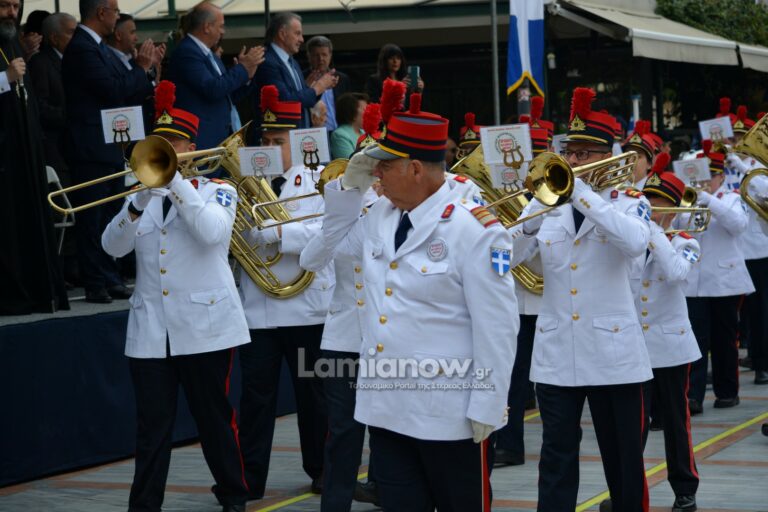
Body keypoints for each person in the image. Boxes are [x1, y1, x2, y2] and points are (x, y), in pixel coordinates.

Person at [304, 92, 518, 511]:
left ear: (416, 168)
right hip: (387, 410)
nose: (377, 174)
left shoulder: (473, 230)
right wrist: (349, 187)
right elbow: (320, 251)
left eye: (384, 165)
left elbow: (497, 327)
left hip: (449, 416)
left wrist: (488, 406)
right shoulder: (380, 217)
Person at [102, 81, 250, 512]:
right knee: (152, 428)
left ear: (191, 148)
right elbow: (112, 247)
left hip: (205, 328)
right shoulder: (140, 194)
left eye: (174, 143)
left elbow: (213, 233)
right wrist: (137, 203)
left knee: (214, 419)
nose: (166, 149)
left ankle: (233, 495)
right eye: (159, 142)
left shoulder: (218, 189)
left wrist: (177, 184)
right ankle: (144, 505)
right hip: (152, 331)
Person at [512, 87, 653, 512]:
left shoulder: (629, 202)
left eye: (583, 154)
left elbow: (635, 243)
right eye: (569, 153)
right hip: (558, 351)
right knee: (555, 456)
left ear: (606, 157)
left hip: (613, 353)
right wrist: (531, 215)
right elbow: (505, 257)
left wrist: (582, 196)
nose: (572, 161)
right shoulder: (546, 204)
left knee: (623, 459)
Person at [236, 85, 331, 499]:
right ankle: (248, 480)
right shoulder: (246, 181)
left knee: (314, 395)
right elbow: (233, 234)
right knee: (256, 398)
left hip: (306, 308)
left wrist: (276, 232)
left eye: (279, 141)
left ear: (298, 140)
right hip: (259, 309)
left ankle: (323, 470)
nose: (271, 148)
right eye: (267, 141)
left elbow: (326, 232)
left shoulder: (319, 178)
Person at [62, 0, 162, 303]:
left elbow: (126, 87)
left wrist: (146, 71)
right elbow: (111, 89)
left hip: (109, 144)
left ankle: (110, 276)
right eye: (115, 11)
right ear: (101, 12)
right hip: (90, 146)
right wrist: (140, 68)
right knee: (92, 219)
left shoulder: (99, 47)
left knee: (111, 215)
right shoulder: (82, 47)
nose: (117, 16)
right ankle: (95, 282)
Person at [630, 167, 701, 512]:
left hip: (672, 347)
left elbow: (676, 273)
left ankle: (685, 489)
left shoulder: (686, 242)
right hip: (635, 345)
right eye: (647, 200)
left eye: (657, 202)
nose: (649, 208)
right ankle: (627, 489)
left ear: (672, 209)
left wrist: (655, 232)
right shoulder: (631, 240)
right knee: (633, 424)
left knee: (675, 420)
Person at [0, 0, 69, 315]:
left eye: (16, 6)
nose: (12, 13)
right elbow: (10, 80)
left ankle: (37, 291)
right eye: (4, 5)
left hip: (22, 151)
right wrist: (6, 78)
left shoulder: (12, 42)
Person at [679, 141, 754, 414]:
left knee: (725, 340)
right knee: (695, 341)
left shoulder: (731, 198)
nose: (705, 181)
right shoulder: (688, 199)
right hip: (694, 284)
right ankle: (693, 396)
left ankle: (727, 391)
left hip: (724, 282)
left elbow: (738, 225)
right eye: (700, 176)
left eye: (710, 176)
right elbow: (677, 228)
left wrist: (710, 201)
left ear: (721, 176)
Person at [493, 126, 550, 468]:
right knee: (513, 376)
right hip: (516, 299)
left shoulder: (560, 195)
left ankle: (561, 441)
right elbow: (503, 254)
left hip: (550, 301)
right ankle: (509, 443)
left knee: (551, 381)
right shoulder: (509, 193)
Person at [166, 1, 263, 157]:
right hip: (203, 140)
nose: (223, 31)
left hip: (221, 139)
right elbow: (212, 89)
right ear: (207, 27)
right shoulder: (187, 52)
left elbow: (226, 96)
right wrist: (242, 68)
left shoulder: (210, 55)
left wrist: (247, 77)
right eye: (221, 26)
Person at [250, 12, 337, 139]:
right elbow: (285, 101)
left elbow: (302, 99)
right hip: (278, 139)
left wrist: (316, 88)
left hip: (297, 137)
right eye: (297, 33)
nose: (302, 39)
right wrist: (317, 88)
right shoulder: (267, 62)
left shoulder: (293, 62)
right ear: (282, 34)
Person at [28, 12, 76, 180]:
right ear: (55, 38)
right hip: (56, 149)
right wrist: (73, 116)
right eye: (71, 33)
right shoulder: (40, 63)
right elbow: (38, 106)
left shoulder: (75, 61)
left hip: (75, 146)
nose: (77, 38)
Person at [305, 35, 350, 132]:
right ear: (309, 56)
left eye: (324, 54)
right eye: (316, 55)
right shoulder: (303, 78)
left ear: (330, 55)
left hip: (340, 131)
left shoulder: (342, 79)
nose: (320, 59)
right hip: (313, 131)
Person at [330, 92, 367, 159]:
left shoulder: (364, 132)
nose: (368, 112)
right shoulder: (339, 135)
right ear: (352, 112)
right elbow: (350, 161)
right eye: (365, 109)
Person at [623, 120, 659, 189]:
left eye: (638, 156)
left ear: (649, 164)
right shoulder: (614, 190)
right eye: (628, 155)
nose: (631, 160)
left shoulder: (653, 192)